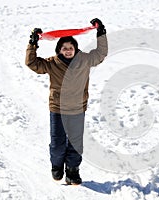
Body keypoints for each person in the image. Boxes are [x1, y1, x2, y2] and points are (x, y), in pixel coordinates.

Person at [25, 18, 108, 185]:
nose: (68, 51)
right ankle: (56, 166)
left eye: (71, 48)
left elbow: (100, 54)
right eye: (64, 48)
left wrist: (101, 33)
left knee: (76, 143)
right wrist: (32, 44)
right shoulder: (51, 63)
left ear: (75, 49)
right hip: (58, 109)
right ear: (59, 50)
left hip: (78, 108)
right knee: (57, 144)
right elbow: (32, 63)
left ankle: (72, 171)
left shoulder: (84, 60)